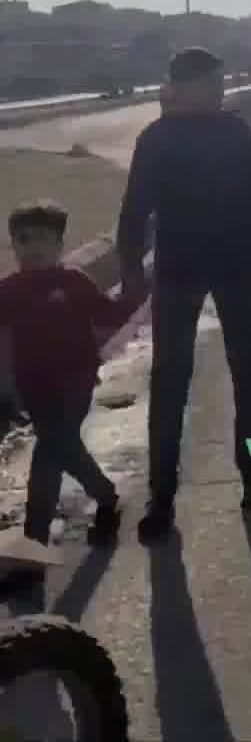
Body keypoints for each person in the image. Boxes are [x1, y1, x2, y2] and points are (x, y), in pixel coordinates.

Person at [116, 47, 251, 541]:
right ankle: (161, 497)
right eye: (211, 82)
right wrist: (131, 271)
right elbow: (134, 212)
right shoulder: (157, 139)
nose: (218, 90)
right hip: (178, 273)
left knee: (248, 376)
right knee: (170, 383)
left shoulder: (234, 132)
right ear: (183, 85)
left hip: (236, 268)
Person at [0, 200, 144, 590]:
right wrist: (7, 387)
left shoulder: (74, 282)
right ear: (13, 245)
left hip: (75, 383)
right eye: (23, 240)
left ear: (60, 243)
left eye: (43, 239)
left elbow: (109, 315)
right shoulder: (8, 290)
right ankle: (106, 495)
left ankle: (32, 549)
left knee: (48, 457)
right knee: (64, 451)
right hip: (34, 389)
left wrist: (135, 288)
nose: (33, 248)